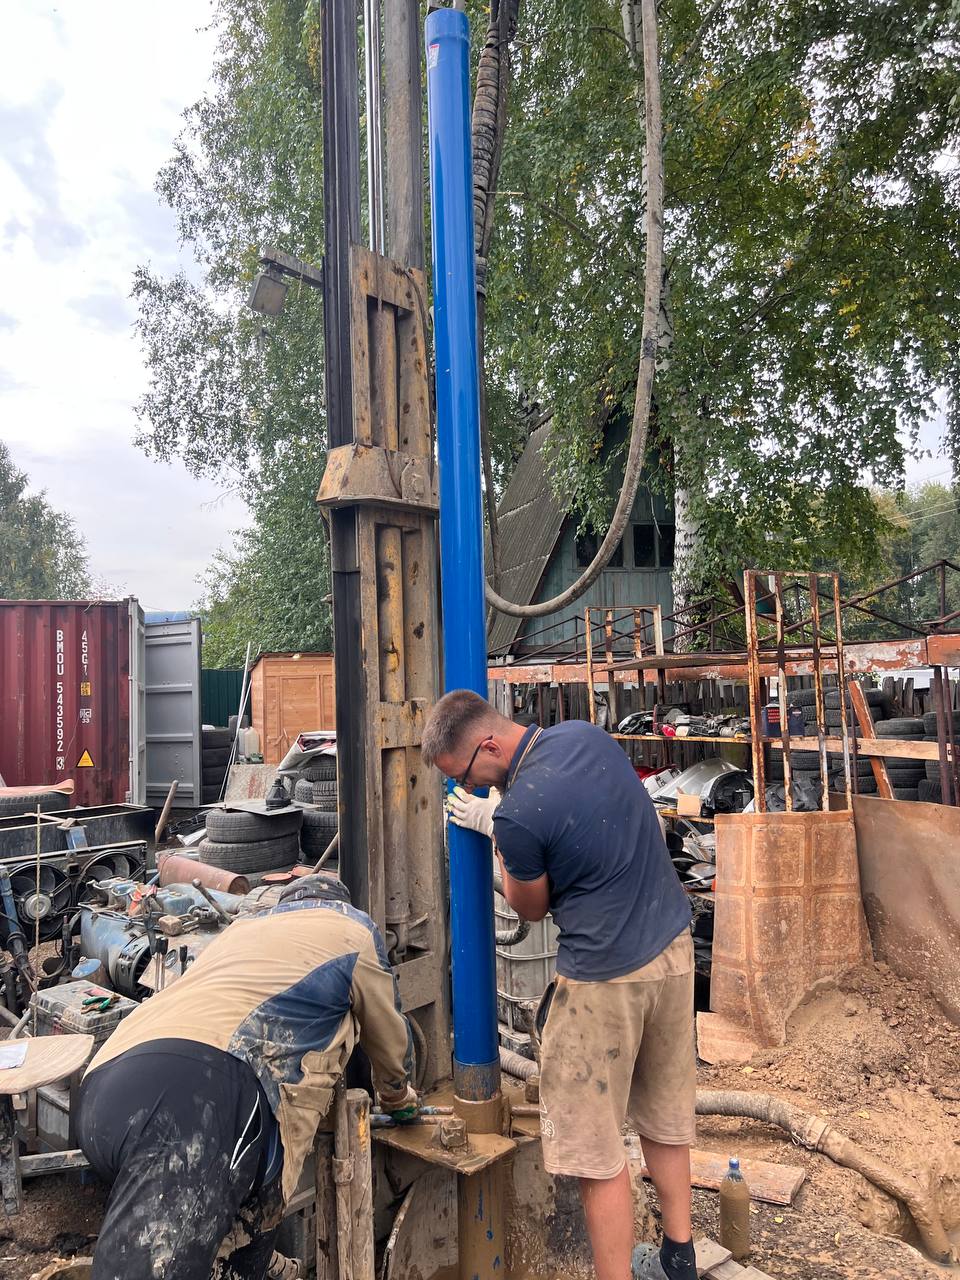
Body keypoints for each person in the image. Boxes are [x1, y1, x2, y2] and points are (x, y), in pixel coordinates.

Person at [422, 690, 696, 1280]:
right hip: (673, 950)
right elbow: (589, 811)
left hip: (604, 981)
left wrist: (498, 837)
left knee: (595, 1154)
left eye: (464, 776)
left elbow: (532, 908)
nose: (466, 788)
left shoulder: (518, 817)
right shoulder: (585, 735)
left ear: (488, 747)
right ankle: (680, 1258)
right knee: (665, 1117)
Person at [76, 872, 418, 1280]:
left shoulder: (241, 930)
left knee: (232, 1250)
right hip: (195, 1099)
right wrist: (398, 1097)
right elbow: (388, 1034)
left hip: (104, 1082)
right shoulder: (351, 928)